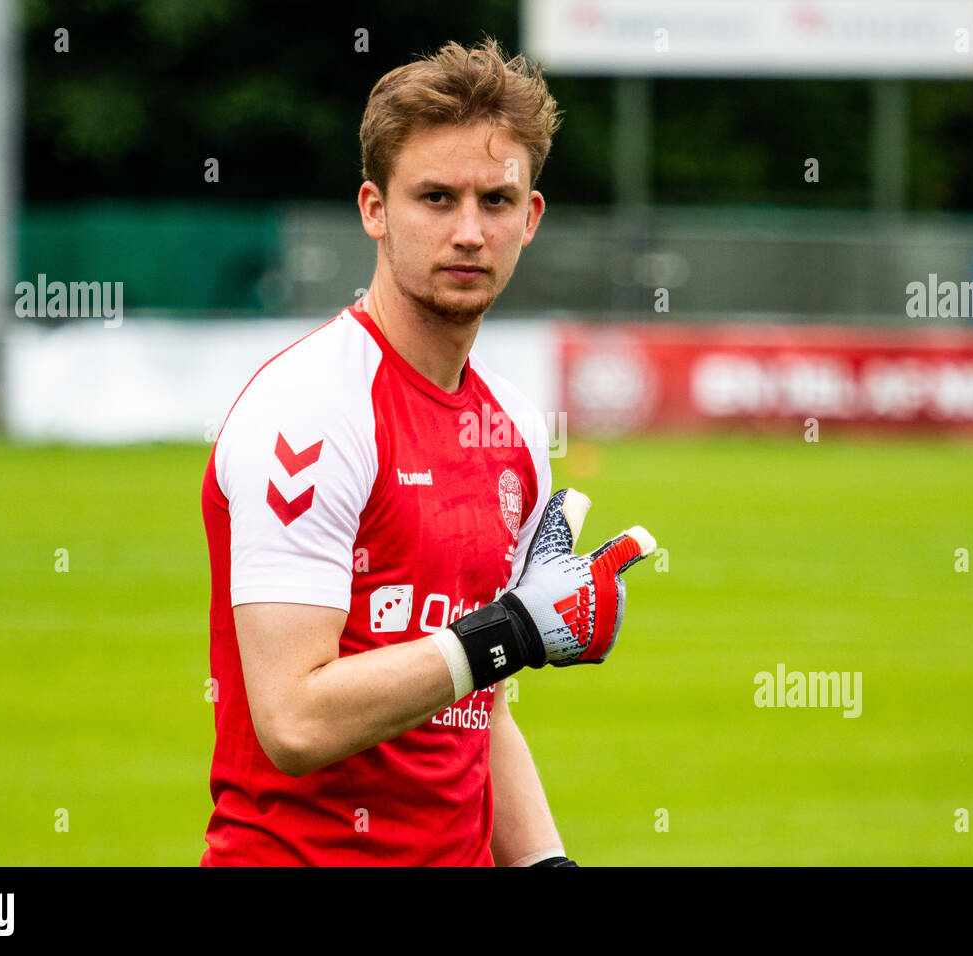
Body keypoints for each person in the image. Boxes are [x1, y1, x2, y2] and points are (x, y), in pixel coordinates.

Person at [200, 36, 655, 866]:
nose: (470, 232)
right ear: (375, 209)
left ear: (532, 217)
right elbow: (295, 721)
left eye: (496, 200)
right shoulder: (312, 411)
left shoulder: (515, 432)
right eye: (436, 198)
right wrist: (513, 629)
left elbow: (484, 710)